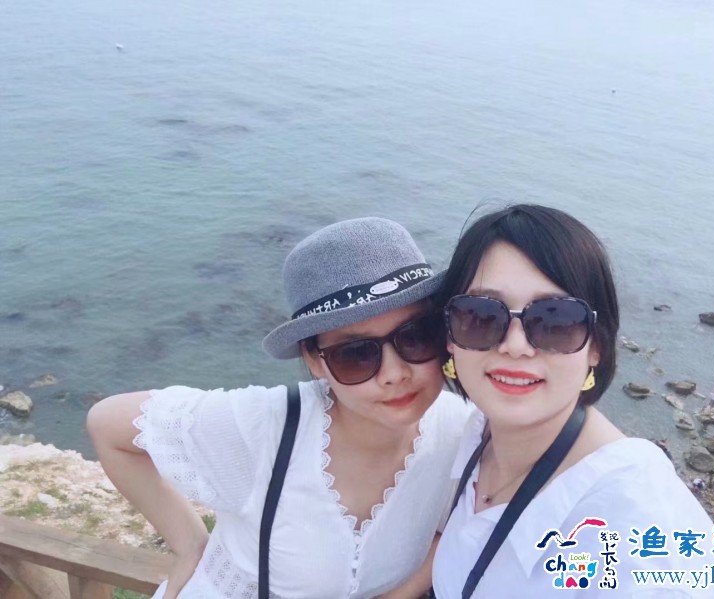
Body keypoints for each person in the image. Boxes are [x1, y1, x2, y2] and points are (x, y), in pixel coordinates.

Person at [88, 217, 471, 599]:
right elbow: (107, 424)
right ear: (315, 360)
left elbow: (458, 523)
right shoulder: (260, 428)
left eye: (417, 336)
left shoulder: (462, 429)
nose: (394, 374)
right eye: (356, 354)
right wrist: (190, 544)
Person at [430, 204, 714, 598]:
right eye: (481, 315)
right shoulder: (474, 434)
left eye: (555, 319)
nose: (515, 346)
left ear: (596, 346)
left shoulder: (639, 520)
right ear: (450, 336)